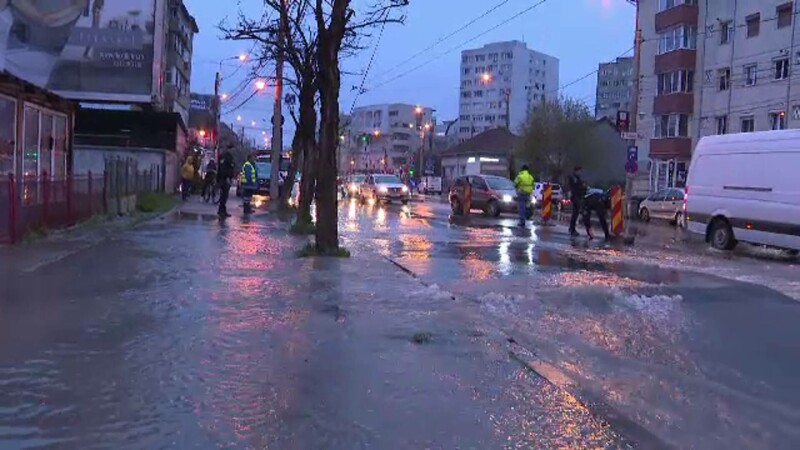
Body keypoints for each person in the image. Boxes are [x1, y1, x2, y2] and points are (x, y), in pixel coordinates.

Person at [567, 166, 587, 236]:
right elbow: (574, 188)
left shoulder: (577, 178)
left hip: (578, 197)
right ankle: (572, 229)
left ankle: (571, 228)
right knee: (575, 214)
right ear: (576, 171)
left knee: (575, 214)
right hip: (576, 197)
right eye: (579, 171)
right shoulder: (574, 178)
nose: (580, 173)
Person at [217, 151, 235, 218]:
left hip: (222, 178)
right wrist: (229, 177)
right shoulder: (228, 158)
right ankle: (222, 211)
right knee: (224, 196)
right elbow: (230, 169)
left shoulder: (222, 158)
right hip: (225, 179)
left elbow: (220, 169)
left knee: (223, 195)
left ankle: (222, 210)